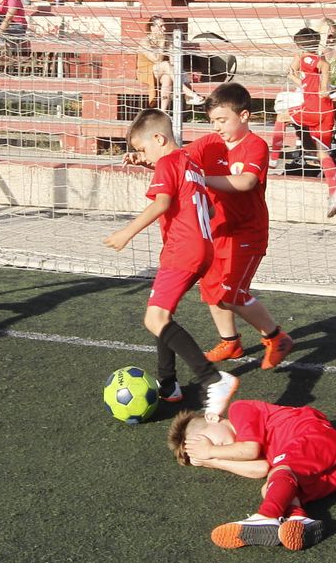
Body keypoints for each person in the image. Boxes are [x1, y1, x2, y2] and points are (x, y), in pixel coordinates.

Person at [102, 108, 238, 416]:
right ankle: (168, 384)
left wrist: (127, 232)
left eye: (143, 149)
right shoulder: (189, 162)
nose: (143, 156)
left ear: (159, 139)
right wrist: (151, 164)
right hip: (202, 248)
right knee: (161, 313)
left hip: (182, 251)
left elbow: (162, 202)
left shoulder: (166, 163)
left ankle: (213, 379)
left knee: (155, 319)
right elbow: (209, 210)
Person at [191, 82, 296, 370]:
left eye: (222, 120)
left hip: (248, 233)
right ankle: (230, 342)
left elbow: (246, 182)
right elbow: (180, 161)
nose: (216, 127)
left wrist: (202, 179)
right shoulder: (208, 143)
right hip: (217, 231)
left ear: (244, 115)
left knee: (232, 293)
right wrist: (150, 159)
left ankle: (276, 337)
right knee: (211, 289)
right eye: (212, 121)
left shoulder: (255, 146)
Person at [169, 400, 336, 551]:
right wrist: (213, 461)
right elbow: (261, 468)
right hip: (330, 475)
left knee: (281, 472)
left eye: (205, 441)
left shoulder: (239, 409)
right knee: (270, 488)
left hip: (314, 437)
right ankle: (299, 520)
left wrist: (210, 451)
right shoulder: (243, 445)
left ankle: (267, 515)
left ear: (212, 417)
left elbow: (250, 450)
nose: (215, 448)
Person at [270, 26, 336, 218]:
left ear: (299, 45)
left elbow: (320, 68)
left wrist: (323, 86)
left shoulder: (306, 57)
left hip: (313, 108)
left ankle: (273, 160)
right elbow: (304, 78)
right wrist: (318, 86)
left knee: (281, 117)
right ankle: (334, 190)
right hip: (327, 110)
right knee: (322, 153)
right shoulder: (314, 59)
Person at [138, 15, 204, 108]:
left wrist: (170, 45)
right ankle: (189, 93)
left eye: (164, 26)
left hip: (162, 71)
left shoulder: (166, 38)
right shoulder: (145, 42)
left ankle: (163, 111)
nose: (164, 29)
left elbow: (173, 61)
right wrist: (162, 43)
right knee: (165, 64)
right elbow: (157, 60)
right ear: (152, 28)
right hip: (146, 71)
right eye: (161, 26)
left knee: (167, 78)